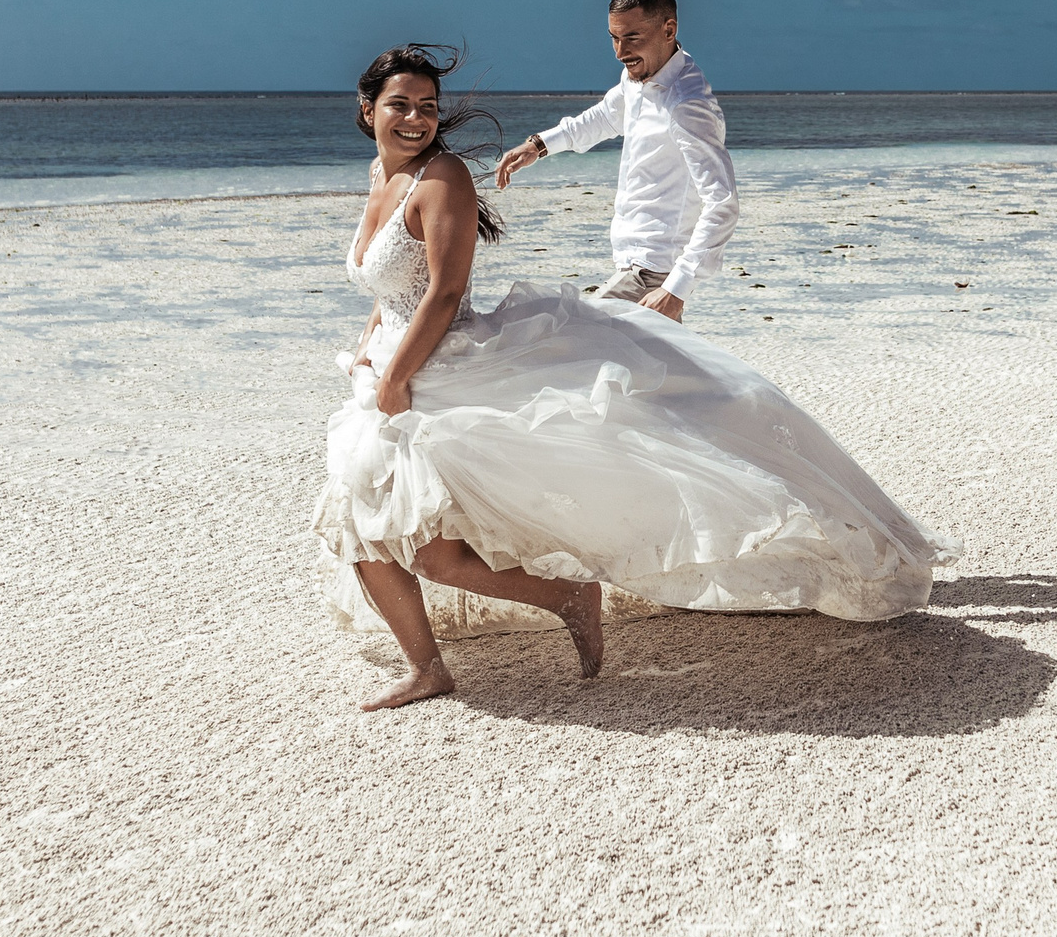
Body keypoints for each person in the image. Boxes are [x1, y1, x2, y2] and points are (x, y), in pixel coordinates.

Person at [313, 43, 954, 712]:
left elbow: (445, 294)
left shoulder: (442, 177)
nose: (415, 118)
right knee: (369, 530)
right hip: (388, 368)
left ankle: (566, 596)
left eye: (427, 107)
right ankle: (436, 664)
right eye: (399, 106)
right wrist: (369, 350)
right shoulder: (378, 175)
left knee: (432, 550)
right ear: (367, 111)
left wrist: (396, 379)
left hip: (435, 374)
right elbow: (391, 291)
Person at [494, 0, 733, 323]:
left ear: (669, 30)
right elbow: (603, 118)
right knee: (643, 374)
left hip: (654, 272)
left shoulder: (687, 105)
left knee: (566, 338)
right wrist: (539, 145)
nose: (621, 53)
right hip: (633, 264)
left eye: (632, 38)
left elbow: (722, 203)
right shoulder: (638, 79)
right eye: (615, 39)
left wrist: (677, 289)